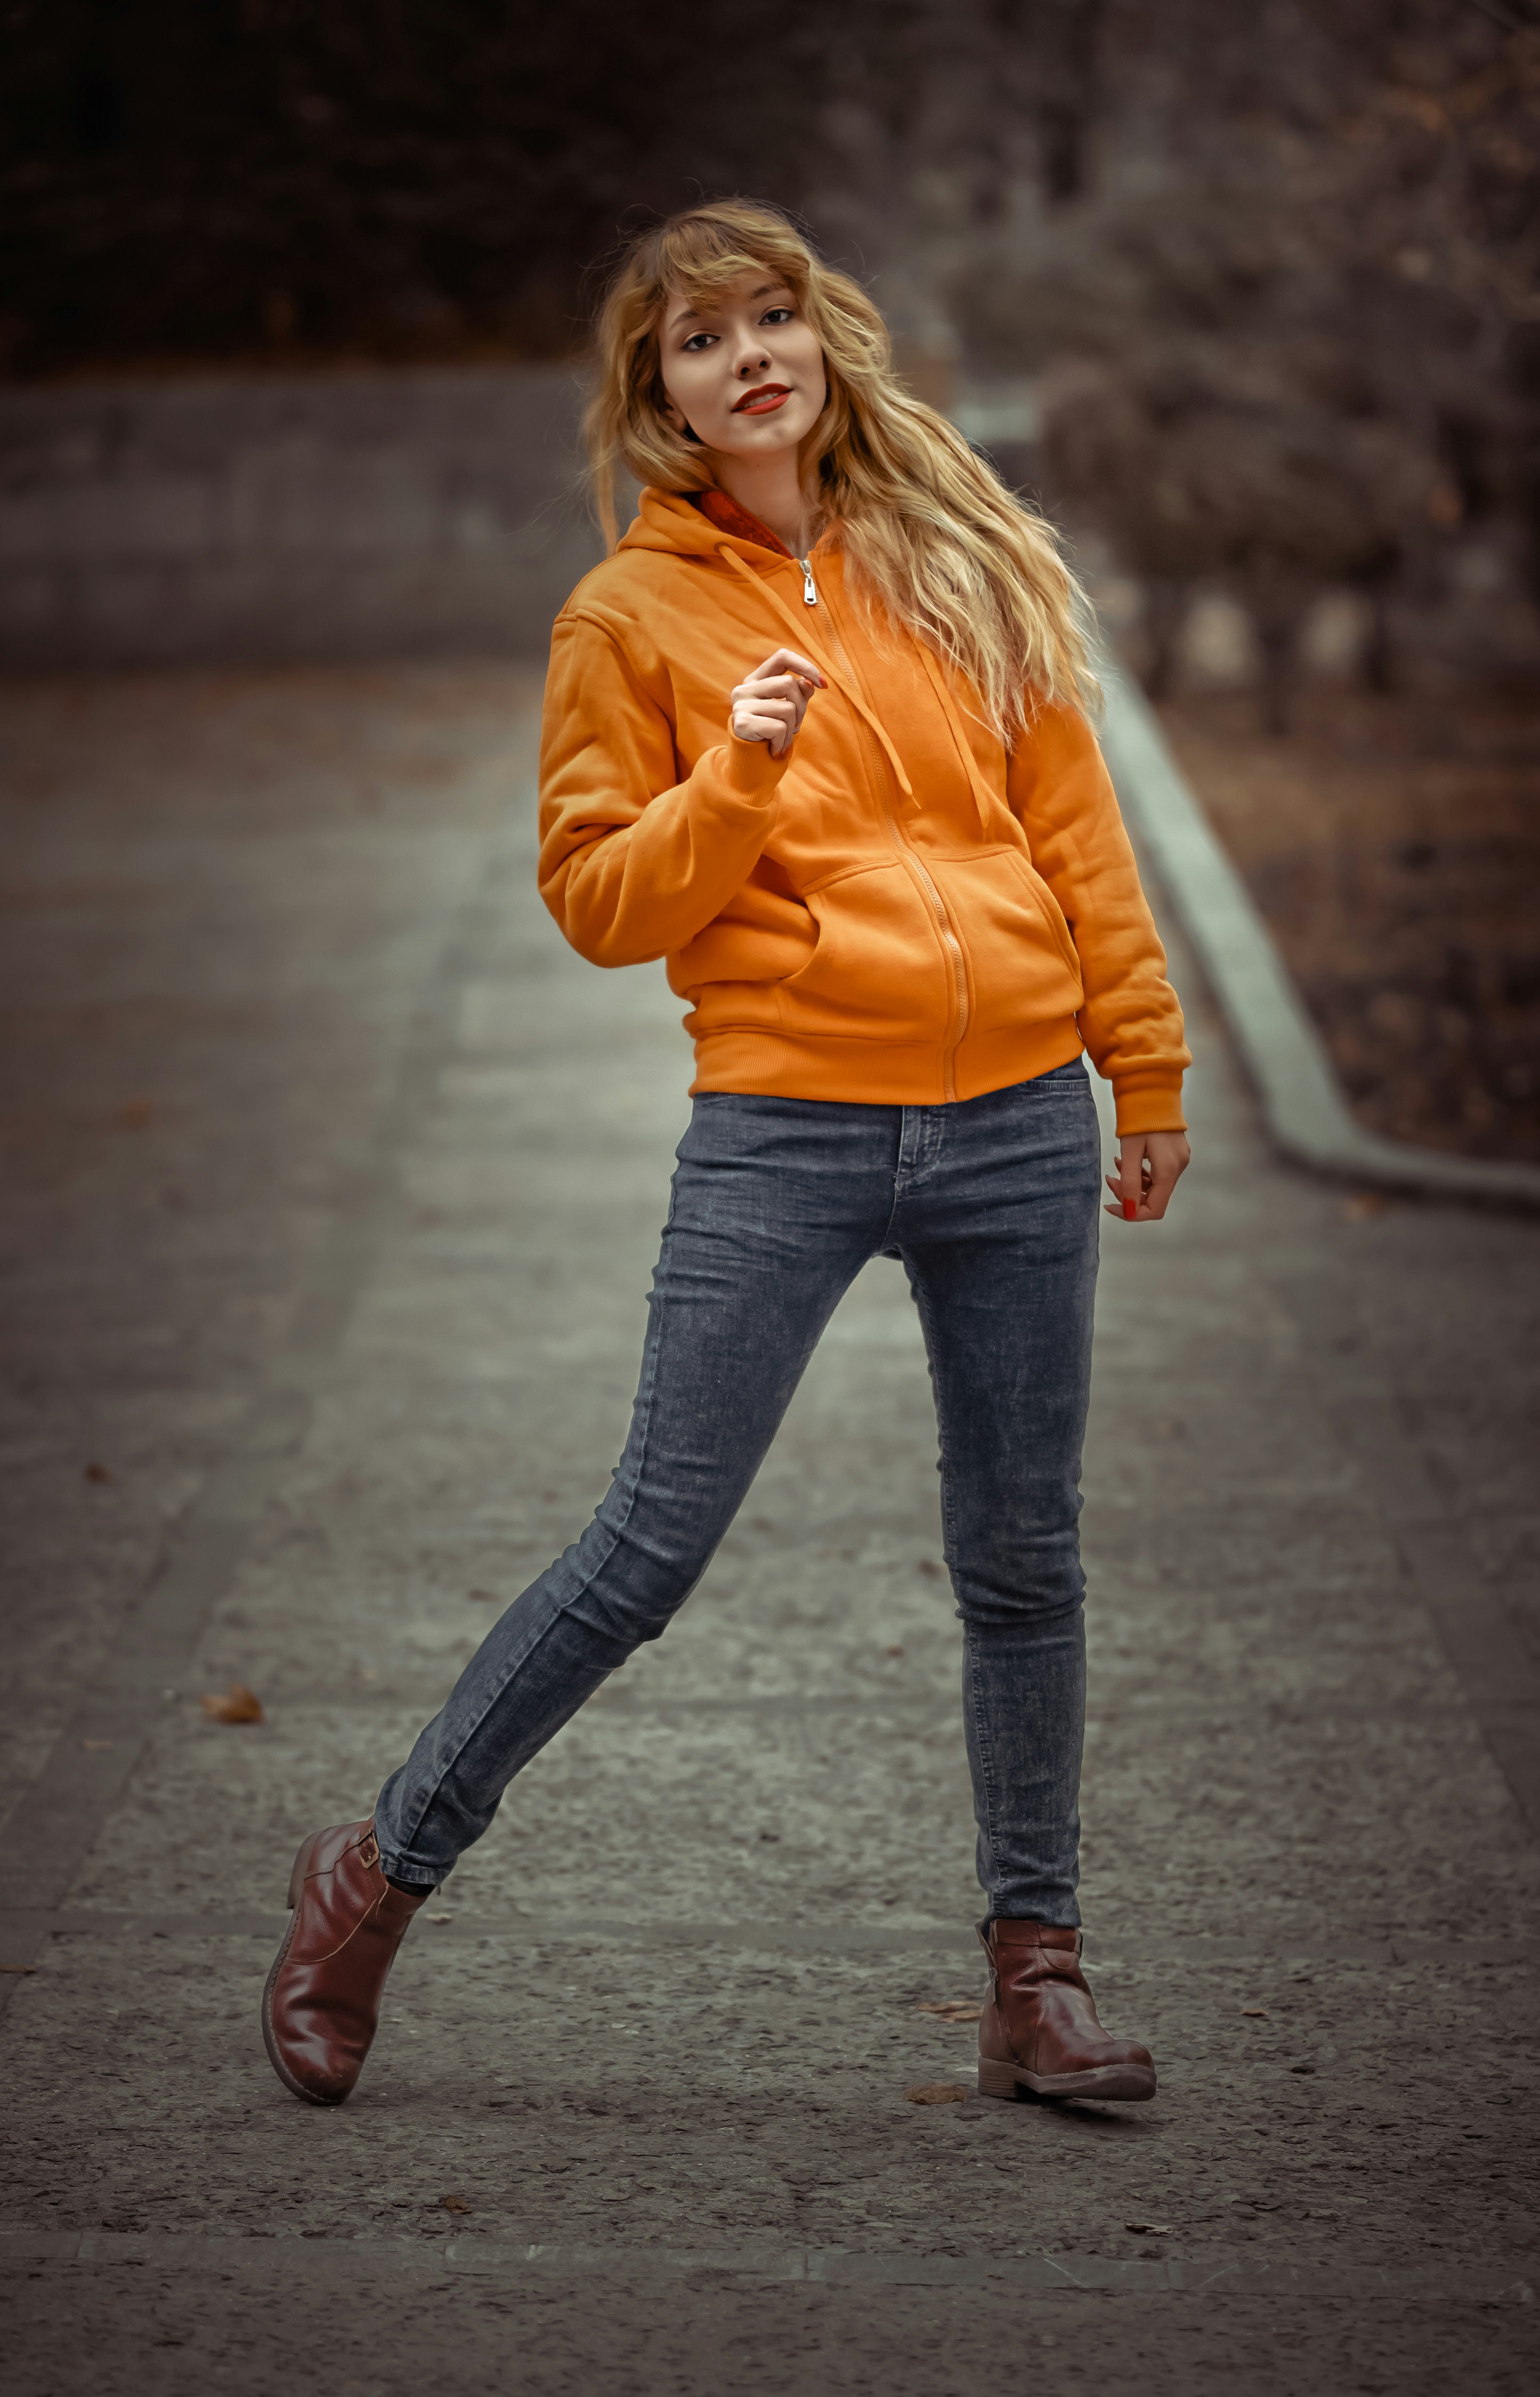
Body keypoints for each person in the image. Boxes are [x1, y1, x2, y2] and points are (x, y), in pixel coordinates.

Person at [261, 199, 1191, 2112]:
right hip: (786, 1121)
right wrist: (736, 769)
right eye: (699, 338)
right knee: (648, 1546)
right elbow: (600, 896)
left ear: (824, 339)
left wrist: (1143, 1065)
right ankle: (372, 1878)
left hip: (1019, 1116)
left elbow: (1075, 829)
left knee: (1024, 1558)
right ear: (658, 395)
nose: (746, 353)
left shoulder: (957, 555)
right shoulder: (627, 617)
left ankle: (1041, 1975)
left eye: (773, 316)